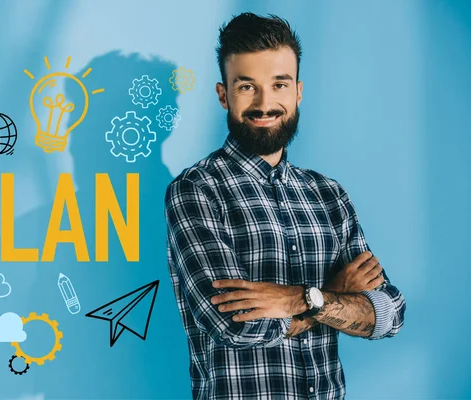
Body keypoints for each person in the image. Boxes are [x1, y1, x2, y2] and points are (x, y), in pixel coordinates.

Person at [164, 12, 406, 400]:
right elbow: (234, 326)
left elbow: (391, 313)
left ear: (298, 91)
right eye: (247, 87)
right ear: (223, 94)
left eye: (279, 84)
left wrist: (301, 298)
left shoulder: (329, 195)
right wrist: (332, 295)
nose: (265, 103)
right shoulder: (196, 190)